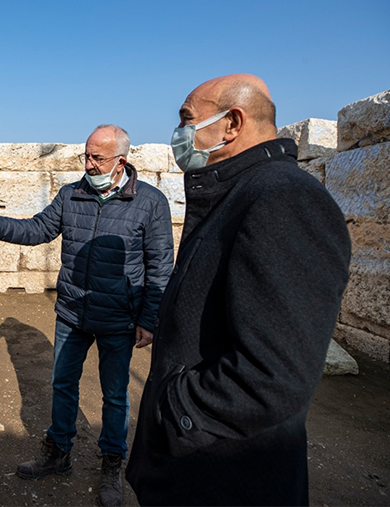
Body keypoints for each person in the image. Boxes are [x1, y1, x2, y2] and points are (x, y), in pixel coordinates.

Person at [126, 74, 352, 506]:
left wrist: (175, 410)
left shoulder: (284, 200)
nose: (179, 135)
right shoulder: (238, 194)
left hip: (222, 477)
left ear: (231, 123)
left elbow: (273, 377)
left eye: (187, 120)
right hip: (198, 468)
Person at [0, 124, 173, 507]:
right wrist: (0, 227)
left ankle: (112, 463)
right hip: (71, 312)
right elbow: (39, 228)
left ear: (121, 162)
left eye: (97, 158)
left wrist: (150, 319)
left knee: (115, 396)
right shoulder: (72, 194)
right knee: (63, 384)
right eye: (86, 155)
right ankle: (58, 452)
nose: (89, 164)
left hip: (119, 318)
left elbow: (160, 266)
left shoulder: (150, 203)